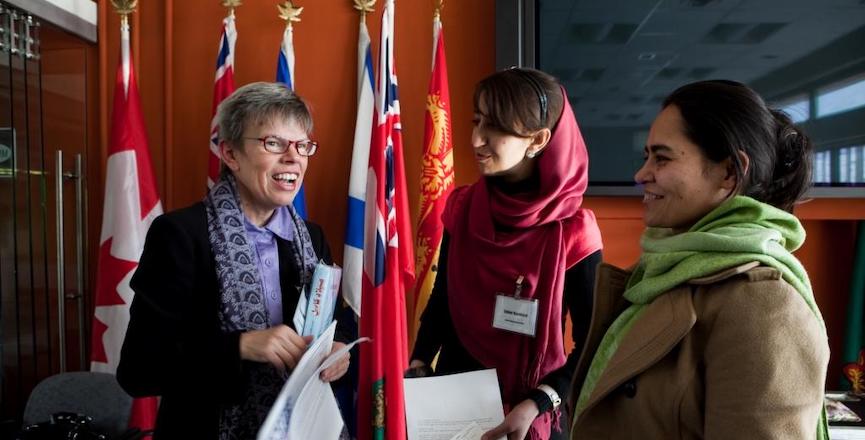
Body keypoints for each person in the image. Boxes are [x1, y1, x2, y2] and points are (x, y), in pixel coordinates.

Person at [568, 80, 829, 439]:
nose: (641, 174)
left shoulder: (764, 305)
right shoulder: (661, 275)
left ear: (729, 173)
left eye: (662, 158)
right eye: (646, 157)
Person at [117, 82, 352, 439]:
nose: (293, 158)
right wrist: (241, 346)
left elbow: (334, 324)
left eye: (302, 145)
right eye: (273, 143)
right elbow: (139, 368)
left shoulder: (313, 237)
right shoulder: (180, 234)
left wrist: (337, 350)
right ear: (230, 154)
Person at [410, 68, 604, 440]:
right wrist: (419, 360)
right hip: (454, 407)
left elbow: (592, 341)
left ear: (538, 139)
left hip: (530, 414)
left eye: (495, 127)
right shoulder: (464, 207)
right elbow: (443, 300)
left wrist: (538, 403)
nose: (476, 139)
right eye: (476, 120)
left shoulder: (575, 231)